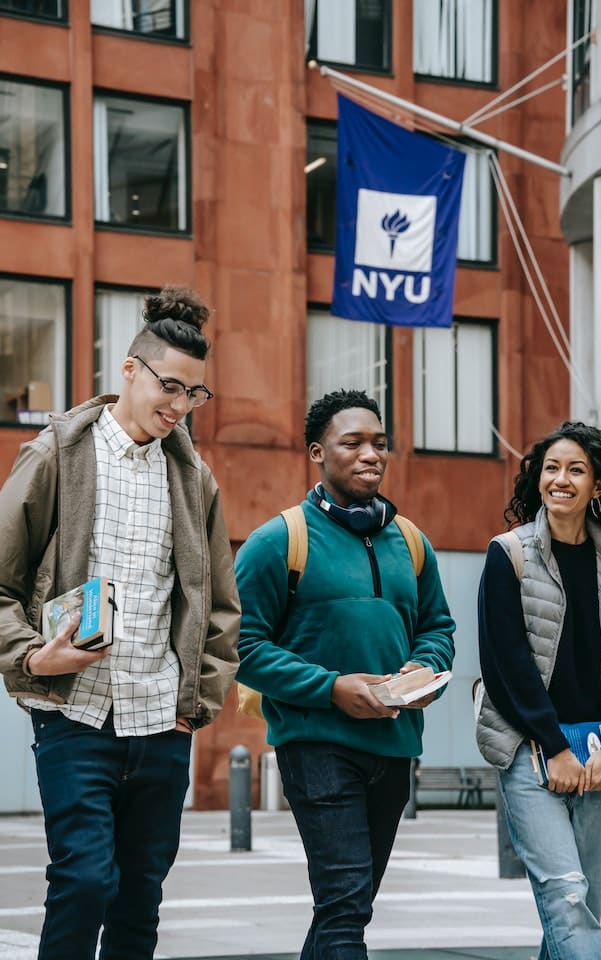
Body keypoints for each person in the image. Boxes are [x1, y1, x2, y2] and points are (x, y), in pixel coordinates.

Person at [0, 286, 241, 960]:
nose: (179, 406)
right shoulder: (56, 454)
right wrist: (30, 659)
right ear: (129, 370)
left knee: (141, 896)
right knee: (81, 882)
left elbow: (220, 605)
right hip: (75, 716)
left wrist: (194, 706)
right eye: (170, 386)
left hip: (161, 721)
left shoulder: (195, 479)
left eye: (194, 394)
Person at [235, 388, 456, 960]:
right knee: (345, 902)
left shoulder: (411, 541)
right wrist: (332, 688)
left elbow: (438, 628)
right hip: (318, 745)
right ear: (317, 452)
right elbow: (241, 645)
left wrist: (425, 669)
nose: (370, 454)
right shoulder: (277, 541)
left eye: (379, 444)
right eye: (352, 442)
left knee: (346, 906)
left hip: (396, 743)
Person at [476, 420, 601, 960]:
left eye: (576, 470)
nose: (560, 479)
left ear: (597, 486)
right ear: (538, 479)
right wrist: (554, 746)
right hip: (531, 748)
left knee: (580, 906)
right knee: (566, 897)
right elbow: (506, 665)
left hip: (600, 755)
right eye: (551, 468)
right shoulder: (509, 554)